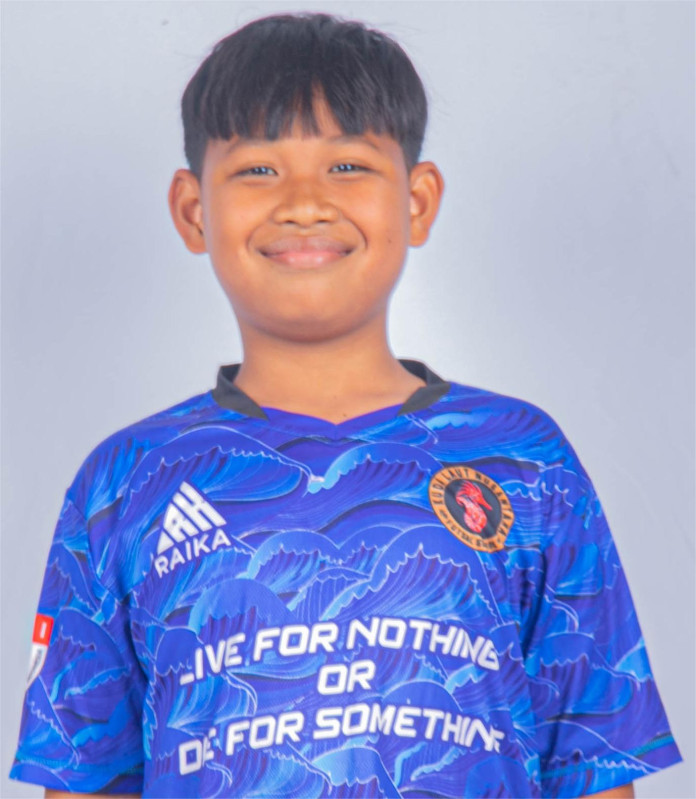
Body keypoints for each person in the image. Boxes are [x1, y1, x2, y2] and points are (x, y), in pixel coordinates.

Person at [9, 11, 682, 799]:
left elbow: (592, 759)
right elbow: (82, 775)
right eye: (258, 170)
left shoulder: (524, 458)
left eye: (348, 166)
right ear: (193, 210)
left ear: (417, 200)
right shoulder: (126, 481)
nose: (305, 203)